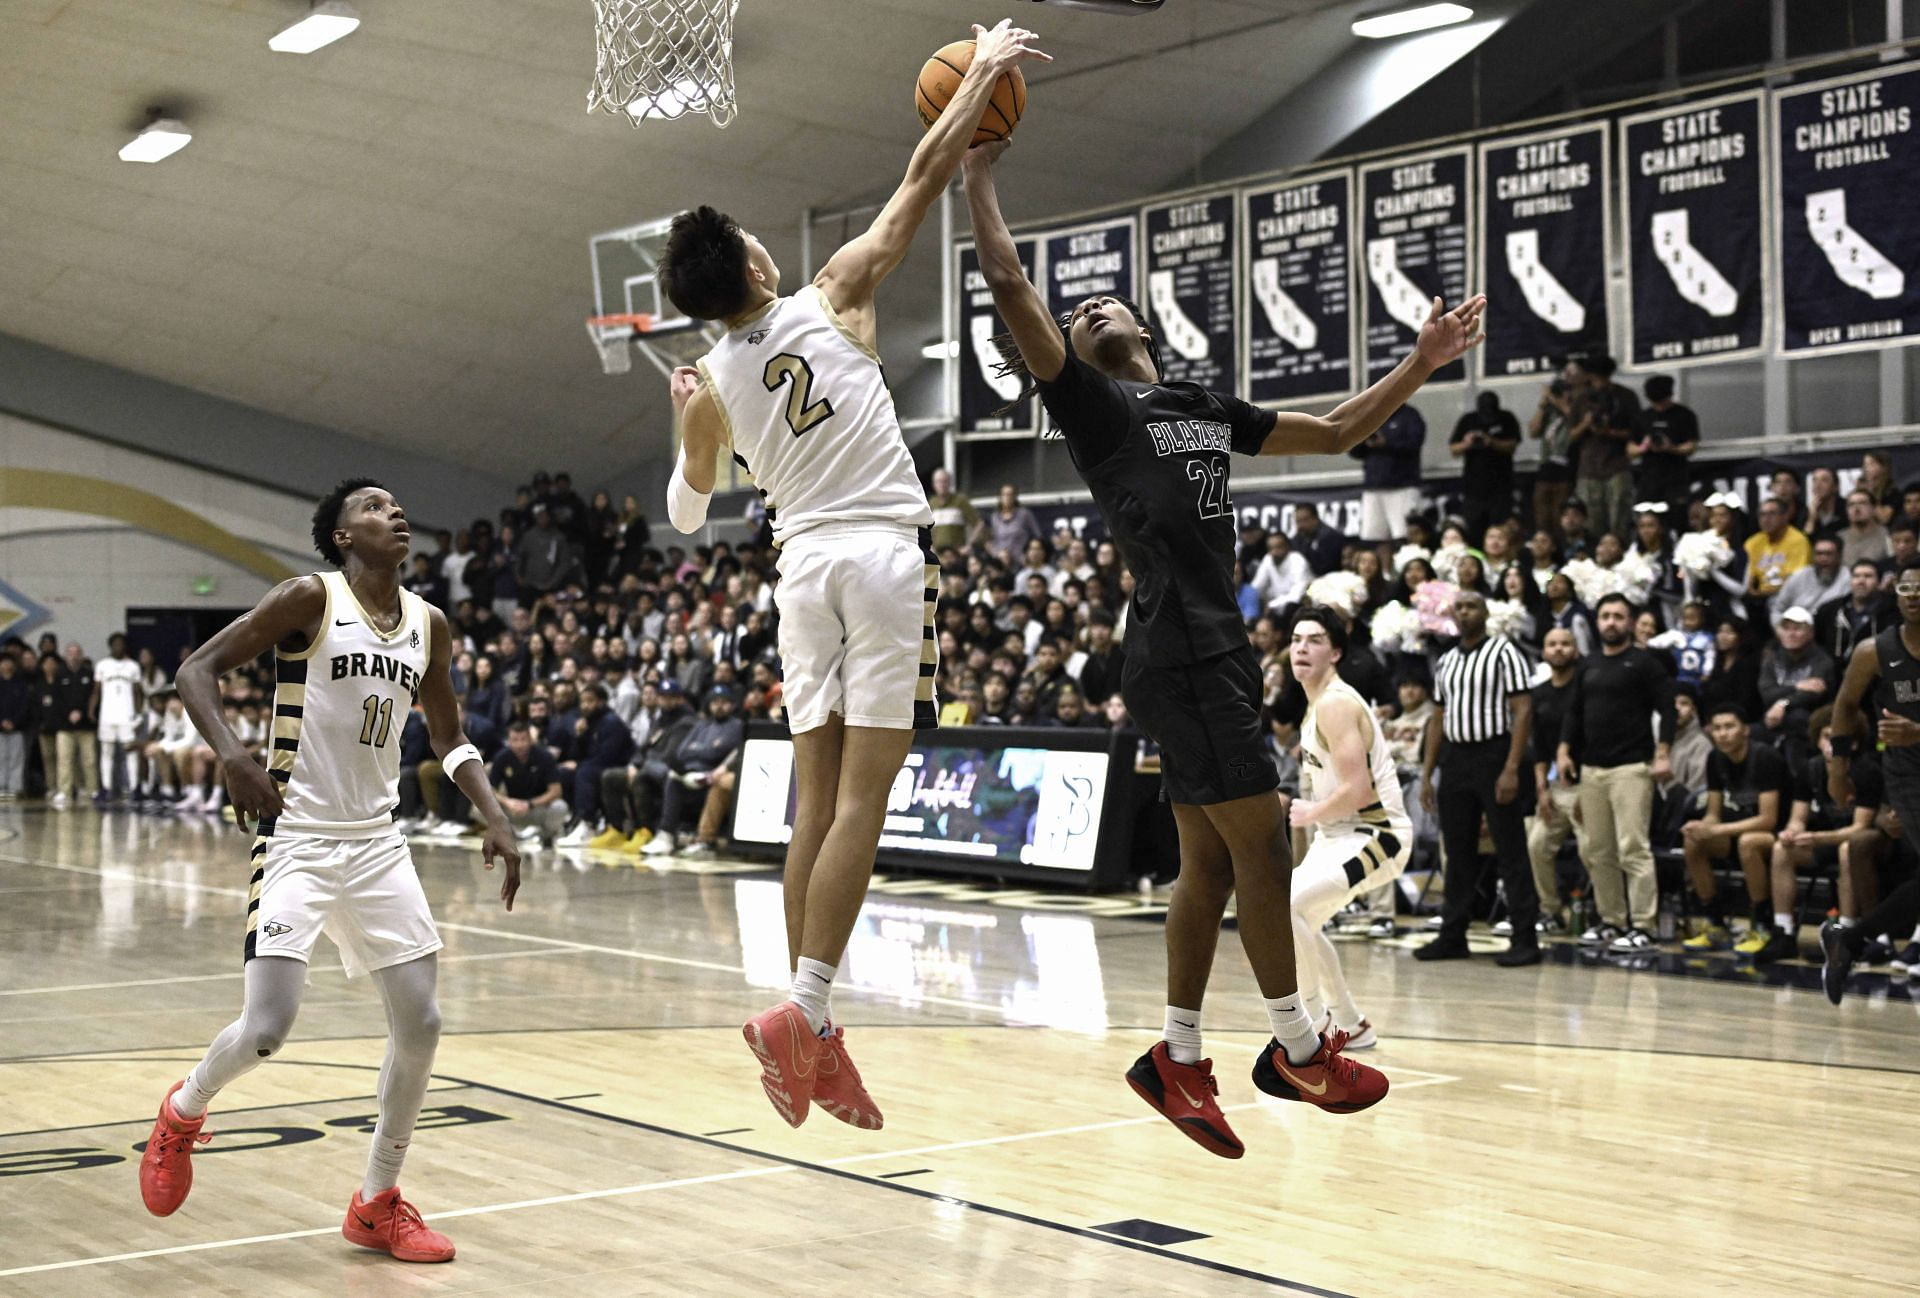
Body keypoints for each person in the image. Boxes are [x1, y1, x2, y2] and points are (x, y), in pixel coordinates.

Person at [965, 137, 1482, 1148]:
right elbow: (1006, 278)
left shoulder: (1201, 405)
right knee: (1264, 841)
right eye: (1077, 315)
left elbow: (1334, 432)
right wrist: (980, 172)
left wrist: (1419, 363)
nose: (1087, 312)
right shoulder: (1092, 401)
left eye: (1103, 304)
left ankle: (1179, 1053)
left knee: (1206, 864)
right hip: (1180, 649)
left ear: (1146, 323)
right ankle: (1294, 1042)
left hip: (1205, 653)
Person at [658, 18, 1049, 1133]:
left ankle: (810, 1025)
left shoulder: (714, 389)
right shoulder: (827, 292)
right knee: (865, 802)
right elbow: (924, 173)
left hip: (797, 569)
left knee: (814, 808)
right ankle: (808, 1008)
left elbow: (687, 514)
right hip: (879, 556)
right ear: (754, 264)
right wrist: (979, 72)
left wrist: (687, 425)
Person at [138, 479, 521, 1264]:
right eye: (374, 507)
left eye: (397, 504)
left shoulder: (429, 624)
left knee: (422, 1024)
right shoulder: (311, 597)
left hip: (377, 843)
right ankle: (182, 1111)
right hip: (298, 838)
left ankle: (376, 1202)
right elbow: (195, 672)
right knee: (269, 1029)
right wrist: (236, 758)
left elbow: (449, 737)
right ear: (344, 536)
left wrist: (496, 811)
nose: (395, 512)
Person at [1285, 608, 1413, 1047]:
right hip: (1339, 835)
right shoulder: (1317, 703)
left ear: (1336, 652)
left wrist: (1310, 812)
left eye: (1314, 640)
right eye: (1296, 639)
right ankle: (1350, 1024)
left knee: (1288, 909)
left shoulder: (1336, 703)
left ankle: (1317, 1022)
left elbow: (1358, 790)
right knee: (1293, 917)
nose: (1301, 647)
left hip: (1378, 835)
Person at [1415, 590, 1540, 965]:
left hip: (1494, 754)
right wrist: (1427, 774)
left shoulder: (1504, 652)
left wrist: (1512, 768)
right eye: (1460, 607)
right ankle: (1453, 934)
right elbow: (1437, 719)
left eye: (1472, 607)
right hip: (1455, 758)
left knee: (1510, 848)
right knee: (1457, 851)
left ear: (1485, 613)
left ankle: (1525, 938)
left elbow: (1523, 711)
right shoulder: (1448, 660)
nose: (1465, 612)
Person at [1821, 563, 1920, 1003]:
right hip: (1908, 774)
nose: (1914, 594)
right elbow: (1843, 707)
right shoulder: (1873, 651)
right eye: (1906, 587)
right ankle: (1855, 939)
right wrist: (1837, 769)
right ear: (1895, 594)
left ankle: (1851, 939)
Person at [1558, 592, 1676, 953]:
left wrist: (1663, 754)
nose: (1611, 622)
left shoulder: (1645, 663)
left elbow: (1668, 710)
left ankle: (1644, 925)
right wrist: (1564, 750)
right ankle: (1612, 920)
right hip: (1592, 769)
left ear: (1630, 621)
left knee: (1633, 848)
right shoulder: (1588, 664)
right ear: (1597, 622)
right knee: (1597, 849)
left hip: (1631, 768)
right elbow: (1574, 713)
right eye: (1606, 616)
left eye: (1619, 616)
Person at [1769, 707, 1882, 965]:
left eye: (1838, 738)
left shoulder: (1866, 770)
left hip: (1863, 845)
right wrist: (1792, 832)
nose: (1831, 745)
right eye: (1826, 737)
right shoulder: (1810, 769)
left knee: (1847, 849)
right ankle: (1783, 931)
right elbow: (1797, 817)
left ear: (1853, 743)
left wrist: (1816, 837)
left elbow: (1860, 827)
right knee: (1780, 849)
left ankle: (1847, 934)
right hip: (1823, 839)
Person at [1677, 702, 1788, 953]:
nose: (1723, 734)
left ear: (1745, 730)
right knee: (1694, 840)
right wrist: (1702, 826)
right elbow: (1714, 814)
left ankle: (1762, 925)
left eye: (1729, 727)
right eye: (1716, 728)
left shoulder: (1765, 757)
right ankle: (1715, 923)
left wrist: (1716, 831)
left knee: (1748, 842)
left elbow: (1768, 820)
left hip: (1779, 836)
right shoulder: (1715, 758)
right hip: (1737, 832)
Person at [1526, 627, 1585, 935]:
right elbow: (1539, 745)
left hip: (1588, 783)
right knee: (1537, 845)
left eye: (1566, 643)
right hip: (1554, 785)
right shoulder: (1540, 693)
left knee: (1592, 850)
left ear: (1575, 650)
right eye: (1553, 644)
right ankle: (1550, 910)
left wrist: (1589, 790)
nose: (1559, 649)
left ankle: (1600, 915)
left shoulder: (1584, 686)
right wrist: (1541, 787)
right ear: (1544, 652)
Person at [642, 686, 745, 857]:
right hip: (689, 772)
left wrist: (697, 748)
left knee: (674, 780)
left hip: (711, 773)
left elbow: (717, 753)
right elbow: (682, 751)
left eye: (724, 702)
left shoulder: (736, 726)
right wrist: (707, 747)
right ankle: (665, 835)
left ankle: (693, 837)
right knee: (671, 778)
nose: (719, 706)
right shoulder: (702, 724)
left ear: (732, 705)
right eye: (715, 702)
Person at [1568, 355, 1640, 542]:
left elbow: (1637, 433)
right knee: (1592, 521)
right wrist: (1585, 425)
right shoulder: (1581, 399)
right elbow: (1571, 436)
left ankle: (1619, 552)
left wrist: (1609, 431)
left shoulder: (1625, 396)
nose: (1599, 383)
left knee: (1620, 518)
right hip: (1589, 467)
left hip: (1617, 465)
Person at [1349, 405, 1427, 544]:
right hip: (1374, 486)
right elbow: (1352, 450)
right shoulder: (1369, 417)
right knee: (1375, 537)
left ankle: (1408, 563)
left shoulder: (1409, 415)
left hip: (1403, 486)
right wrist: (1366, 442)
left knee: (1405, 534)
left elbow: (1415, 442)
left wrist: (1387, 443)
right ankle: (1383, 566)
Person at [1448, 392, 1520, 539]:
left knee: (1500, 530)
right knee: (1474, 531)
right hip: (1474, 488)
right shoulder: (1469, 420)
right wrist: (1467, 444)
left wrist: (1491, 441)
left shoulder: (1506, 418)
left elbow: (1512, 445)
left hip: (1501, 486)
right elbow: (1453, 450)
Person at [490, 718, 568, 846]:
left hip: (537, 808)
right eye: (515, 740)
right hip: (512, 809)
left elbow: (556, 791)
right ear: (509, 742)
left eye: (523, 739)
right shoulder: (501, 758)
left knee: (560, 807)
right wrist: (507, 802)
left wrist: (530, 804)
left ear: (530, 740)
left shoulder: (544, 757)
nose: (519, 744)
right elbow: (490, 790)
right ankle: (510, 833)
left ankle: (543, 835)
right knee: (479, 805)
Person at [1629, 375, 1698, 517]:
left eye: (1662, 402)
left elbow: (1691, 446)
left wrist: (1672, 448)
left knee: (1678, 515)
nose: (1659, 407)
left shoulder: (1684, 415)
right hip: (1649, 477)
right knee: (1646, 515)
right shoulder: (1642, 417)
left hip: (1676, 477)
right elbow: (1630, 449)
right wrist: (1643, 447)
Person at [1529, 368, 1579, 543]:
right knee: (1542, 516)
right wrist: (1543, 403)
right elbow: (1533, 431)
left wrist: (1553, 398)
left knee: (1560, 514)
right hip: (1546, 467)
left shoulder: (1574, 409)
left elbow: (1573, 417)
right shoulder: (1549, 412)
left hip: (1565, 468)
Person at [1814, 558, 1897, 664]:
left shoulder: (1892, 611)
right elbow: (1816, 644)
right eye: (1856, 576)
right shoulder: (1830, 610)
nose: (1861, 581)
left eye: (1868, 576)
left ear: (1879, 583)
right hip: (1834, 674)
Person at [1743, 496, 1811, 623]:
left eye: (1772, 514)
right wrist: (1753, 593)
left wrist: (1761, 594)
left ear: (1785, 517)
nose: (1766, 519)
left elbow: (1795, 582)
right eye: (1762, 515)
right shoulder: (1753, 542)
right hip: (1759, 598)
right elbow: (1748, 582)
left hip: (1789, 597)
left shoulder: (1798, 540)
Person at [94, 632, 144, 803]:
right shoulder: (102, 665)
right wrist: (91, 709)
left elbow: (138, 693)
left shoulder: (133, 666)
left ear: (125, 646)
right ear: (110, 645)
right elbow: (97, 690)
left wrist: (137, 714)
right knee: (106, 753)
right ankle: (106, 788)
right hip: (106, 716)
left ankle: (134, 788)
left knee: (131, 752)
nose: (118, 646)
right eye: (115, 643)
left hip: (127, 716)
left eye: (121, 643)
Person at [1771, 535, 1846, 622]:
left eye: (1828, 554)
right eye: (1819, 554)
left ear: (1839, 556)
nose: (1823, 558)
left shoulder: (1848, 580)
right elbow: (1778, 610)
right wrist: (1780, 630)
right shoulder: (1799, 576)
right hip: (1797, 629)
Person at [1250, 529, 1311, 618]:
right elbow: (1256, 588)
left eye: (1278, 547)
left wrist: (1272, 604)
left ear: (1287, 547)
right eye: (1270, 548)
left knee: (1290, 606)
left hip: (1300, 608)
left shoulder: (1298, 561)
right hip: (1276, 609)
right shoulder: (1268, 559)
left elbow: (1296, 596)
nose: (1274, 552)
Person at [926, 466, 985, 552]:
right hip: (939, 556)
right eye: (939, 482)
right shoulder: (931, 503)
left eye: (944, 481)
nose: (942, 485)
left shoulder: (960, 501)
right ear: (934, 484)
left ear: (950, 483)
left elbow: (979, 524)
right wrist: (930, 548)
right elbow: (924, 530)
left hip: (957, 556)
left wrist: (969, 546)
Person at [1290, 501, 1346, 576]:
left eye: (1304, 520)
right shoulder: (1297, 540)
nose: (1300, 525)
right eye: (1298, 521)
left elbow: (1327, 567)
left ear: (1315, 519)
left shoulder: (1332, 538)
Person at [1839, 488, 1891, 568]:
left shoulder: (1887, 535)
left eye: (1862, 503)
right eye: (1851, 504)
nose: (1856, 508)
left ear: (1873, 509)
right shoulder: (1839, 538)